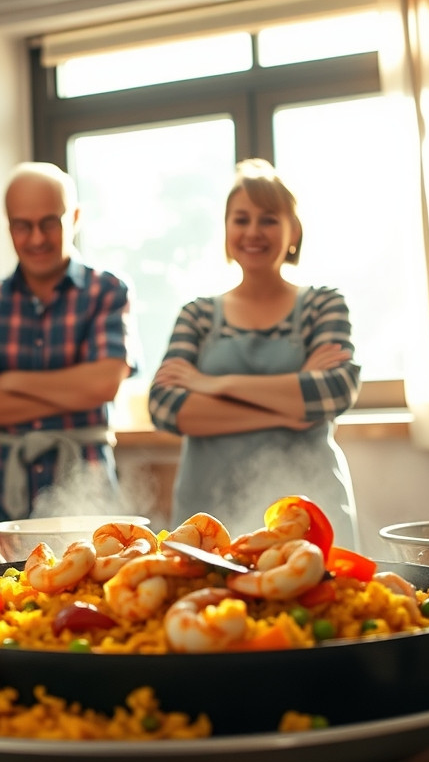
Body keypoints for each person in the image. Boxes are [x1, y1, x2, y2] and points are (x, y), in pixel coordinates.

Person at [147, 158, 361, 548]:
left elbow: (334, 391)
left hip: (310, 511)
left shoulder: (323, 304)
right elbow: (166, 408)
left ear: (294, 230)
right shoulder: (197, 314)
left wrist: (215, 384)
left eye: (269, 219)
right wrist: (291, 408)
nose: (253, 232)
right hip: (210, 516)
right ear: (226, 229)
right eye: (241, 219)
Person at [0, 162, 139, 541]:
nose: (36, 238)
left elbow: (103, 385)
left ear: (76, 217)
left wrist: (11, 382)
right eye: (23, 225)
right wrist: (72, 392)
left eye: (49, 223)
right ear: (9, 226)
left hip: (88, 492)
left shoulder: (108, 290)